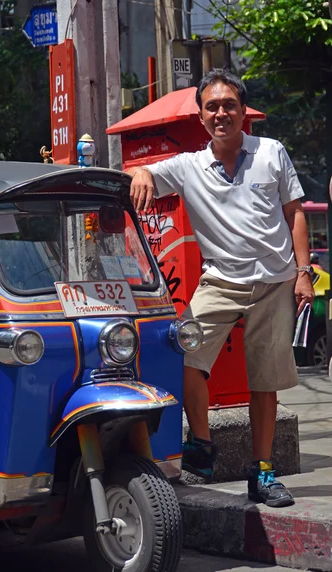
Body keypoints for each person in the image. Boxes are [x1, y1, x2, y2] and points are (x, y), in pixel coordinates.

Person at [129, 69, 314, 508]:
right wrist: (140, 173)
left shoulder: (271, 152)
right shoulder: (190, 165)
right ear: (200, 117)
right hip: (220, 279)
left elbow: (296, 214)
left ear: (243, 112)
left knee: (264, 381)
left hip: (275, 280)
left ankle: (263, 472)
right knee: (185, 355)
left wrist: (304, 271)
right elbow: (146, 174)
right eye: (211, 107)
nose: (221, 114)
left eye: (229, 105)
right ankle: (202, 444)